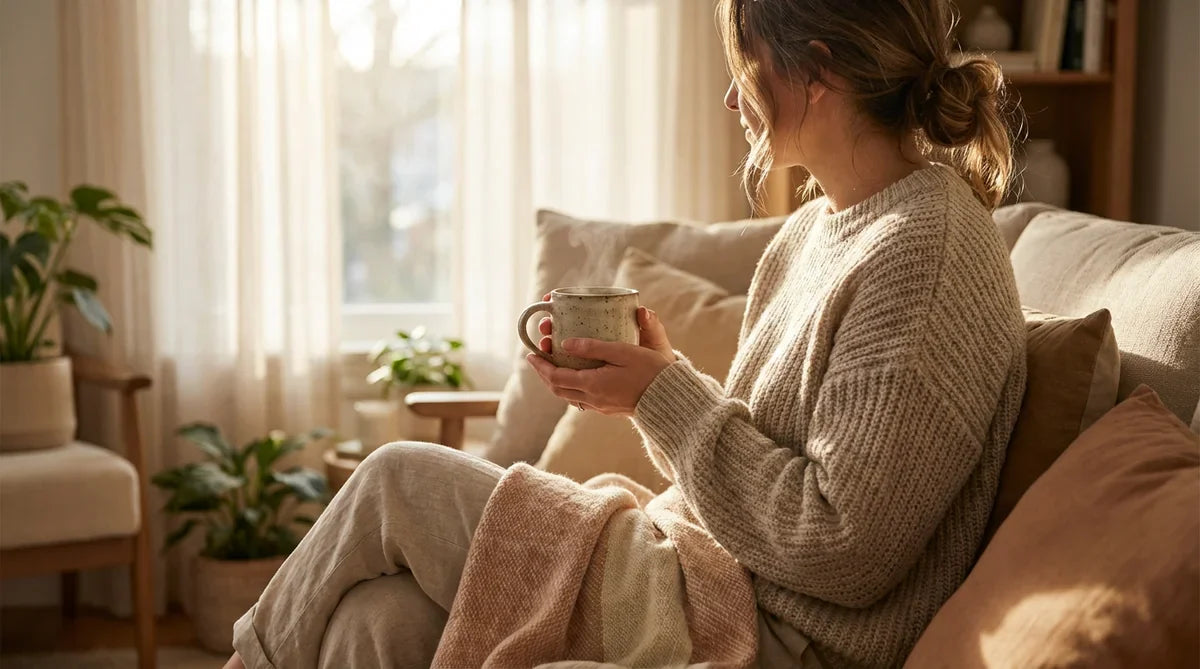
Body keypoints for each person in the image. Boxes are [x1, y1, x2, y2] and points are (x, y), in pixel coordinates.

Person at [224, 0, 1026, 666]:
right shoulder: (814, 230)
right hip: (700, 569)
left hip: (766, 627)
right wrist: (661, 379)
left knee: (396, 478)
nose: (729, 99)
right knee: (380, 623)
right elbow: (774, 452)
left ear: (815, 73)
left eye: (743, 67)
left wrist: (661, 394)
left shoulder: (928, 249)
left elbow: (844, 547)